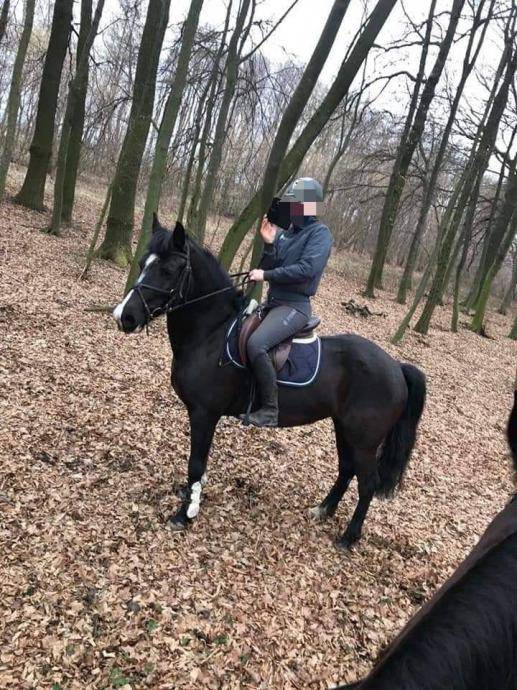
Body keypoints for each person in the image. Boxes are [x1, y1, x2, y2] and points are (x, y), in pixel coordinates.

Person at [241, 177, 332, 428]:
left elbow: (306, 269)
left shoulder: (320, 235)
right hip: (274, 302)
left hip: (295, 307)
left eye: (296, 203)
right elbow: (270, 264)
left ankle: (270, 410)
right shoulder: (285, 235)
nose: (291, 208)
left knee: (257, 344)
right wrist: (269, 243)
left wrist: (266, 275)